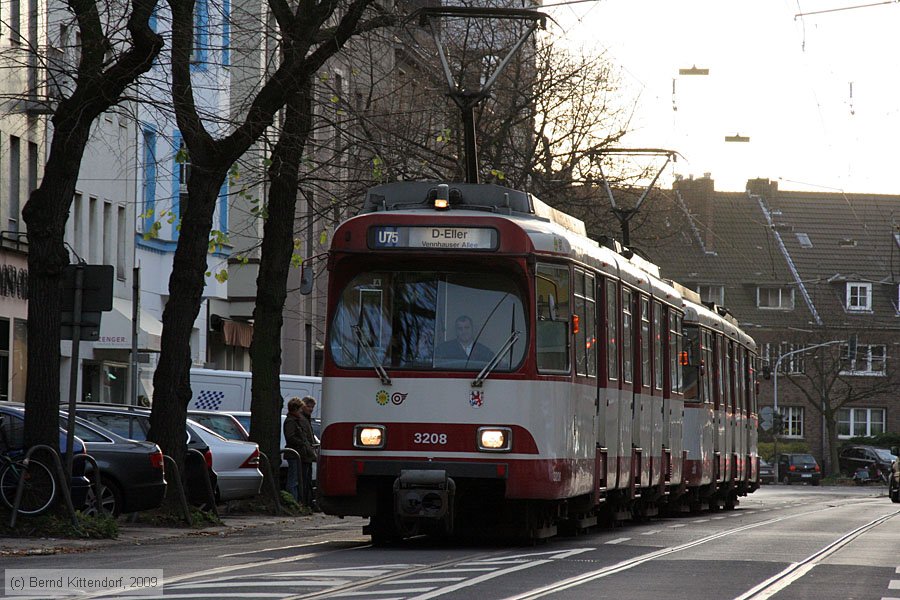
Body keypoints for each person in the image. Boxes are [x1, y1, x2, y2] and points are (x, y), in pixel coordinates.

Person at [283, 398, 306, 503]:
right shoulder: (291, 421)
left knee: (295, 478)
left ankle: (294, 500)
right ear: (296, 409)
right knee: (293, 479)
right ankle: (292, 500)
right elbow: (290, 436)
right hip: (294, 453)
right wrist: (301, 442)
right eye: (300, 409)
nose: (301, 411)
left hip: (296, 452)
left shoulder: (294, 420)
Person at [298, 396, 318, 510]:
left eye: (312, 407)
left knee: (307, 479)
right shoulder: (302, 419)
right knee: (303, 479)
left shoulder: (306, 419)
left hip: (307, 454)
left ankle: (307, 502)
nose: (310, 409)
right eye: (308, 406)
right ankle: (304, 502)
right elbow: (304, 438)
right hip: (305, 454)